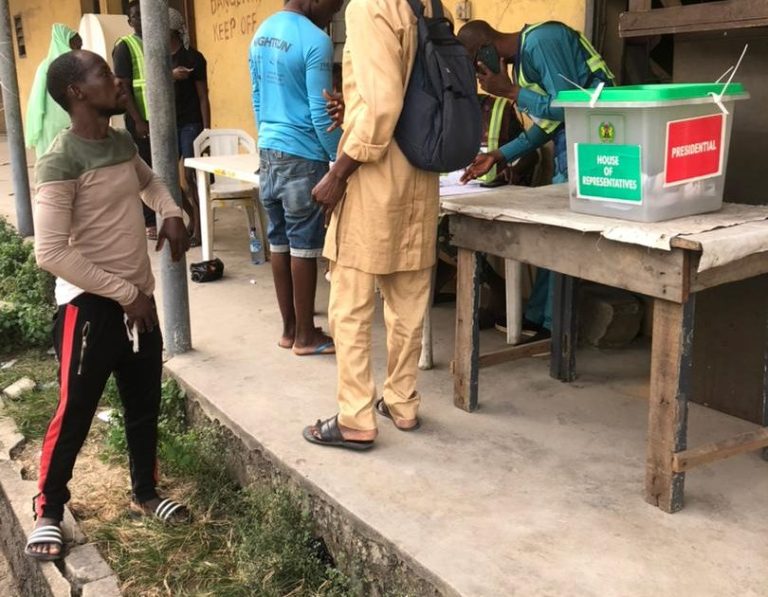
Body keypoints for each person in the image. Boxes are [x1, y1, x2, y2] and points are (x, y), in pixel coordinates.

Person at [25, 50, 191, 561]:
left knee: (143, 405)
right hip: (89, 309)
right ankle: (49, 509)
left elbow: (152, 182)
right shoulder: (60, 160)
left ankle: (145, 492)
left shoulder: (119, 142)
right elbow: (50, 252)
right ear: (77, 93)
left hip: (136, 305)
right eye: (103, 74)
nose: (117, 81)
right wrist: (125, 294)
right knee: (75, 411)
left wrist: (171, 211)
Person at [302, 0, 447, 450]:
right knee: (407, 297)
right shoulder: (425, 5)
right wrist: (357, 105)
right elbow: (408, 93)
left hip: (375, 175)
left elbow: (384, 104)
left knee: (350, 301)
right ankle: (402, 403)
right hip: (421, 172)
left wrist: (338, 173)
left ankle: (356, 418)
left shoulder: (368, 6)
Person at [458, 20, 614, 339]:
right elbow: (549, 123)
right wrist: (499, 155)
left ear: (485, 49)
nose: (479, 76)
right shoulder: (525, 62)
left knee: (562, 236)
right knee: (552, 234)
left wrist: (512, 92)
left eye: (476, 65)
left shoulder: (542, 40)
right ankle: (540, 316)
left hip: (596, 143)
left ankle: (552, 323)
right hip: (573, 141)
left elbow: (568, 105)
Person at [249, 0, 343, 356]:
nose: (334, 14)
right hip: (304, 154)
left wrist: (267, 142)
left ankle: (289, 330)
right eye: (334, 5)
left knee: (279, 241)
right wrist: (338, 159)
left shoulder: (260, 34)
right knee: (304, 244)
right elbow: (322, 112)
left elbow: (258, 98)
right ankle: (306, 336)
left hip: (270, 150)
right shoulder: (315, 40)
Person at [113, 1, 157, 240]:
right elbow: (125, 87)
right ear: (130, 22)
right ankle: (150, 220)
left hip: (160, 120)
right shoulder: (125, 47)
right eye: (135, 16)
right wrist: (138, 120)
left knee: (160, 171)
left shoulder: (158, 41)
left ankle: (162, 213)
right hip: (141, 120)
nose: (141, 18)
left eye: (143, 13)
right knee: (146, 171)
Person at [169, 7, 210, 245]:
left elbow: (203, 96)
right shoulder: (157, 59)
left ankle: (199, 230)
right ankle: (193, 217)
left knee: (192, 176)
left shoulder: (193, 58)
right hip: (168, 125)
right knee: (166, 178)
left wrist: (206, 131)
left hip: (190, 122)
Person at [24, 24, 82, 159]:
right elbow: (37, 100)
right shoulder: (46, 67)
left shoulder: (77, 67)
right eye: (75, 46)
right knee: (53, 162)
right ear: (63, 43)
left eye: (80, 46)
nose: (79, 50)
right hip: (52, 124)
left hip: (73, 121)